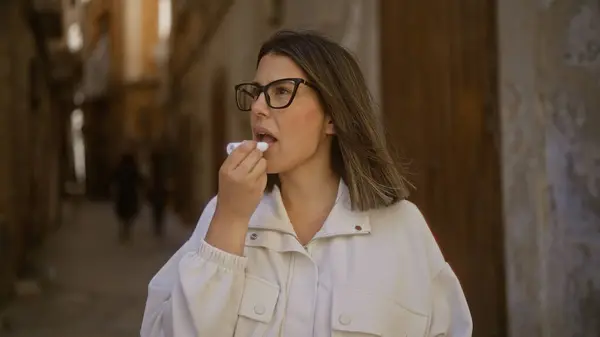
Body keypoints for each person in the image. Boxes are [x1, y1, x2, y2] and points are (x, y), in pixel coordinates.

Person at [141, 30, 472, 337]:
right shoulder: (224, 214)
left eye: (281, 92)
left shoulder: (402, 227)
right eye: (256, 93)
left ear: (332, 116)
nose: (257, 108)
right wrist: (230, 221)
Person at [111, 151, 142, 243]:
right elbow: (139, 182)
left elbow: (114, 183)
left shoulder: (119, 169)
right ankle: (127, 230)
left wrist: (114, 194)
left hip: (122, 194)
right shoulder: (134, 169)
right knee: (129, 213)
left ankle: (124, 231)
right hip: (131, 194)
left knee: (123, 214)